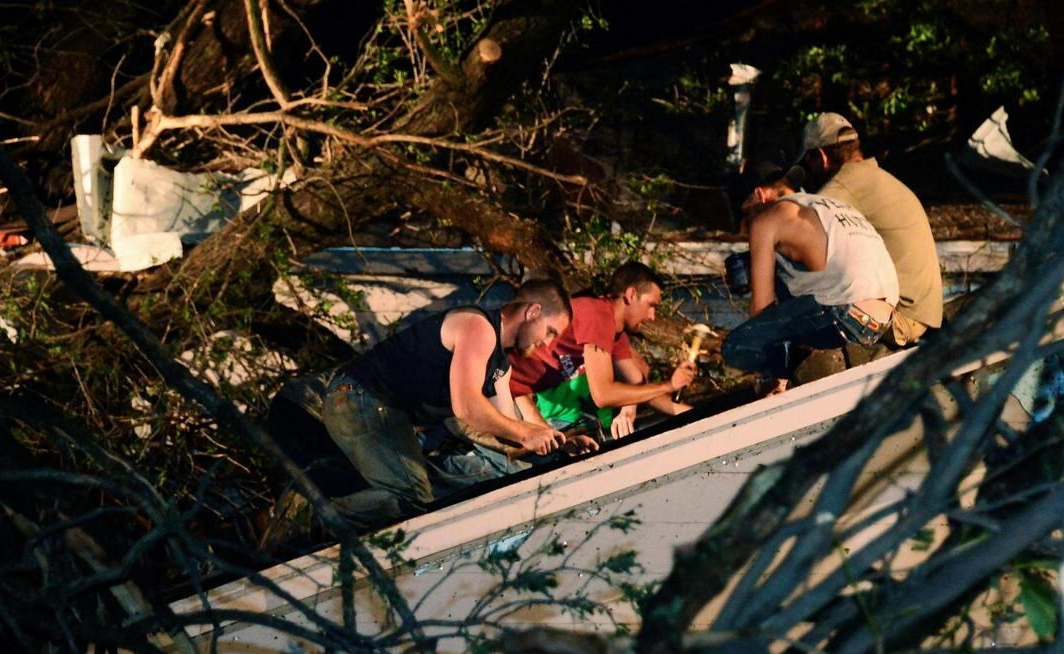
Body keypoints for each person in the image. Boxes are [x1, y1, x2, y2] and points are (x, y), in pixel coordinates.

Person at [316, 279, 575, 519]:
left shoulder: (501, 368)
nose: (547, 343)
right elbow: (467, 407)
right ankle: (319, 518)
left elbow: (507, 429)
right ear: (533, 312)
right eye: (550, 331)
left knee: (422, 496)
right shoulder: (477, 326)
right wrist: (524, 433)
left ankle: (332, 509)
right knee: (414, 500)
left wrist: (561, 443)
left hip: (385, 412)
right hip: (361, 397)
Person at [721, 179, 898, 392]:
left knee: (736, 346)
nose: (746, 230)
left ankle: (775, 385)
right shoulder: (823, 205)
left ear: (760, 194)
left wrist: (765, 374)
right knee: (781, 267)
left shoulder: (766, 220)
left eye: (745, 219)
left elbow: (761, 311)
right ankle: (787, 372)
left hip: (845, 314)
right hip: (882, 319)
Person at [796, 112, 943, 348]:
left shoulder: (844, 186)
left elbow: (797, 231)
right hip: (922, 312)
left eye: (809, 161)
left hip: (902, 318)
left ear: (822, 157)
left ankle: (780, 375)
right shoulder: (873, 178)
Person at [510, 262, 695, 440]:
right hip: (503, 397)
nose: (652, 316)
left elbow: (639, 385)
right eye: (651, 305)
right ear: (631, 294)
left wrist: (695, 415)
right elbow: (603, 395)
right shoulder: (597, 315)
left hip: (525, 399)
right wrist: (669, 385)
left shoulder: (616, 332)